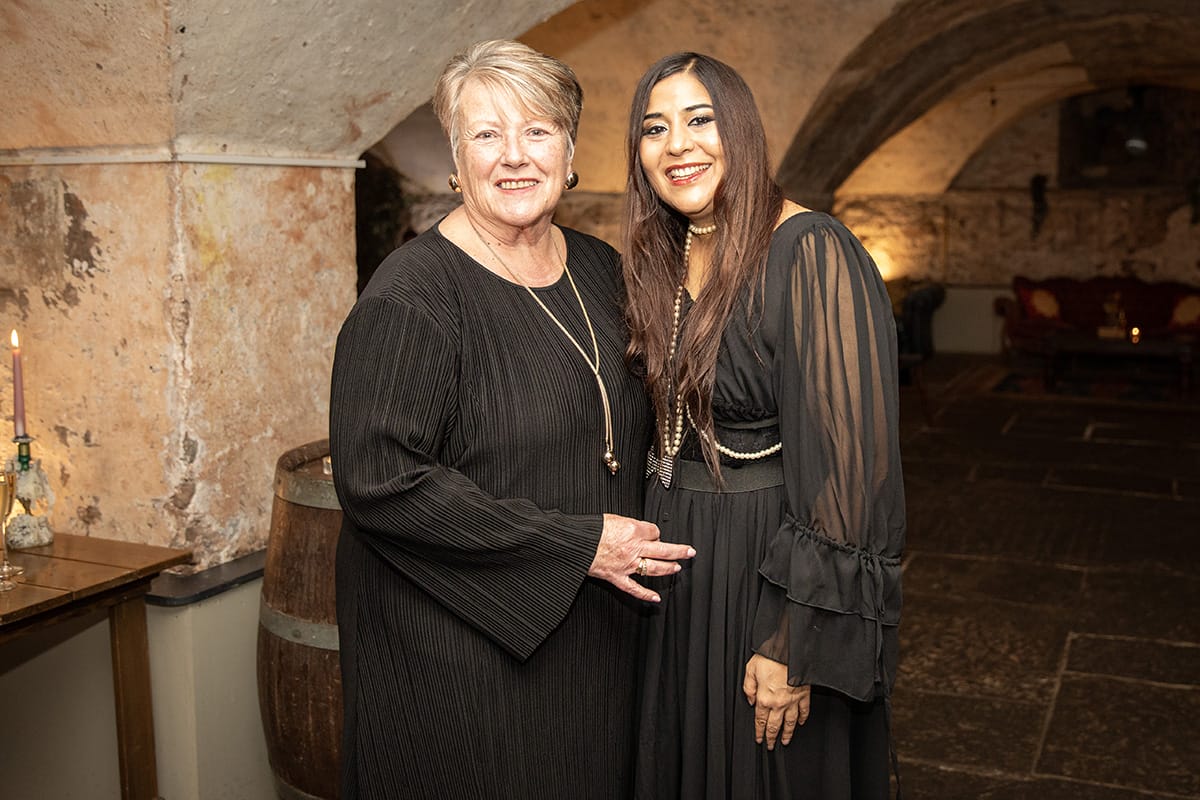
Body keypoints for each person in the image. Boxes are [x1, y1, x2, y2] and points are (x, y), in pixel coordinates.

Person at [329, 39, 694, 799]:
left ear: (570, 152)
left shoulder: (600, 267)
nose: (514, 156)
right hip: (461, 653)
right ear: (457, 159)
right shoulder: (412, 297)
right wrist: (578, 545)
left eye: (537, 131)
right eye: (487, 134)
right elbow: (380, 482)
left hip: (593, 635)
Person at [622, 52, 906, 799]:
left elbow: (854, 476)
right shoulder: (669, 250)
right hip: (676, 568)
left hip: (763, 568)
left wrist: (793, 639)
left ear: (741, 129)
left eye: (700, 119)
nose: (677, 144)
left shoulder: (811, 248)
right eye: (654, 128)